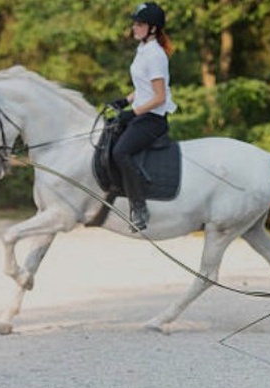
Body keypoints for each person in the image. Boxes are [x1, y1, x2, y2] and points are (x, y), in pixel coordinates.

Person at [110, 2, 177, 231]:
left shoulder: (156, 55)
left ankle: (139, 207)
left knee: (121, 151)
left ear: (153, 29)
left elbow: (159, 97)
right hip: (141, 113)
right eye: (135, 23)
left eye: (140, 24)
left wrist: (132, 113)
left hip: (153, 119)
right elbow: (144, 87)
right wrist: (125, 100)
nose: (134, 28)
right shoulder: (143, 50)